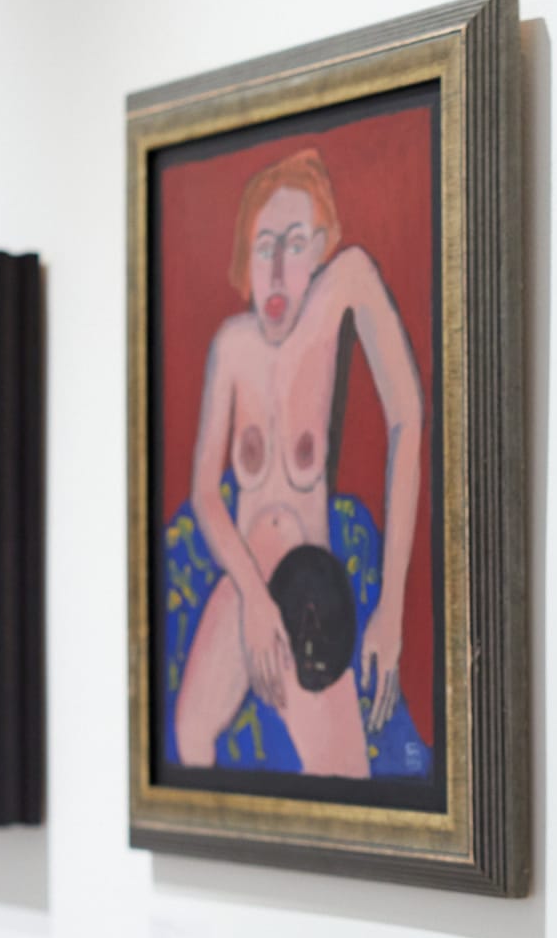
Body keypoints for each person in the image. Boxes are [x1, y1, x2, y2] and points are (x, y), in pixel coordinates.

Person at [171, 147, 425, 778]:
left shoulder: (341, 292)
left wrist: (391, 610)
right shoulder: (233, 348)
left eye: (294, 244)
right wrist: (254, 601)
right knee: (189, 737)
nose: (278, 270)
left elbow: (408, 417)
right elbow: (205, 496)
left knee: (346, 779)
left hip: (311, 598)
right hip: (245, 589)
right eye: (264, 248)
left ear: (318, 251)